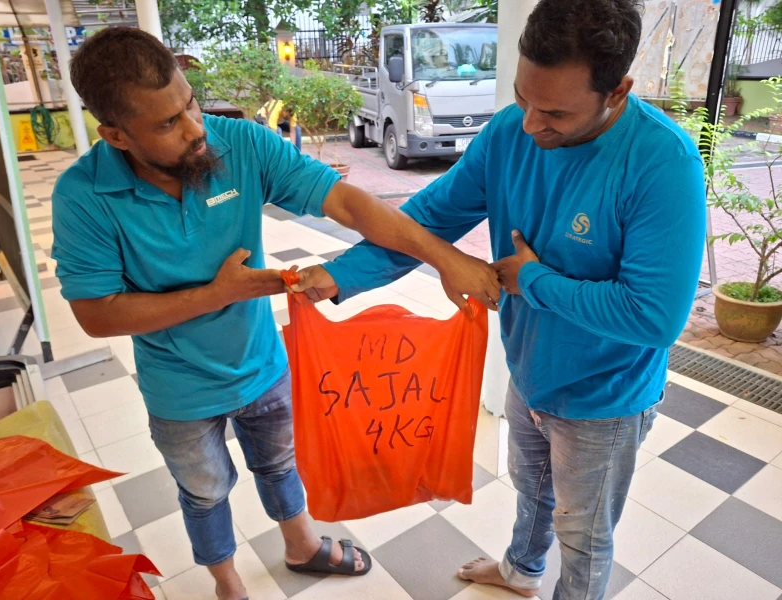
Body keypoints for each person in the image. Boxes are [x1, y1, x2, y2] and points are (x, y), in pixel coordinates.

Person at [50, 27, 500, 600]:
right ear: (114, 134)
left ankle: (302, 546)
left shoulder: (239, 144)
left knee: (283, 464)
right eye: (167, 124)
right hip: (179, 389)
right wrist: (221, 292)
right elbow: (98, 315)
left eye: (189, 103)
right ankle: (227, 582)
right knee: (206, 492)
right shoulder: (82, 195)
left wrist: (443, 259)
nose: (194, 130)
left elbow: (348, 203)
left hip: (263, 363)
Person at [293, 0, 706, 598]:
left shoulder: (662, 162)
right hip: (529, 368)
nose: (532, 125)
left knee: (583, 534)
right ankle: (521, 571)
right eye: (523, 98)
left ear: (618, 90)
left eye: (557, 112)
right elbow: (427, 223)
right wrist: (342, 276)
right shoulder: (509, 132)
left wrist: (530, 281)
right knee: (530, 487)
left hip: (604, 398)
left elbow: (655, 316)